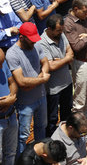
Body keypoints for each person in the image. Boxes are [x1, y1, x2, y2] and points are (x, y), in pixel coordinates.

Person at [6, 22, 50, 155]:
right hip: (25, 103)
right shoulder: (12, 54)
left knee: (41, 128)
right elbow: (21, 82)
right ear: (21, 38)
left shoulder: (36, 45)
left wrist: (43, 73)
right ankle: (22, 159)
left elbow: (45, 62)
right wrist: (42, 79)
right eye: (31, 41)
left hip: (41, 96)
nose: (34, 43)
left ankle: (39, 157)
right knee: (23, 136)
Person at [38, 14, 73, 137]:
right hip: (53, 89)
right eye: (58, 30)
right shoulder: (42, 42)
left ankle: (65, 136)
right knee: (52, 118)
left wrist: (59, 60)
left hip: (67, 82)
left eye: (61, 30)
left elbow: (71, 52)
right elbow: (50, 66)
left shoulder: (61, 34)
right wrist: (66, 59)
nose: (61, 32)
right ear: (49, 28)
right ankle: (52, 140)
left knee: (67, 114)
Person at [0, 48, 18, 165]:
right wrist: (3, 103)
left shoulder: (3, 63)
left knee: (11, 153)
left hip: (11, 116)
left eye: (2, 63)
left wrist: (11, 98)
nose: (2, 67)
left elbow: (12, 82)